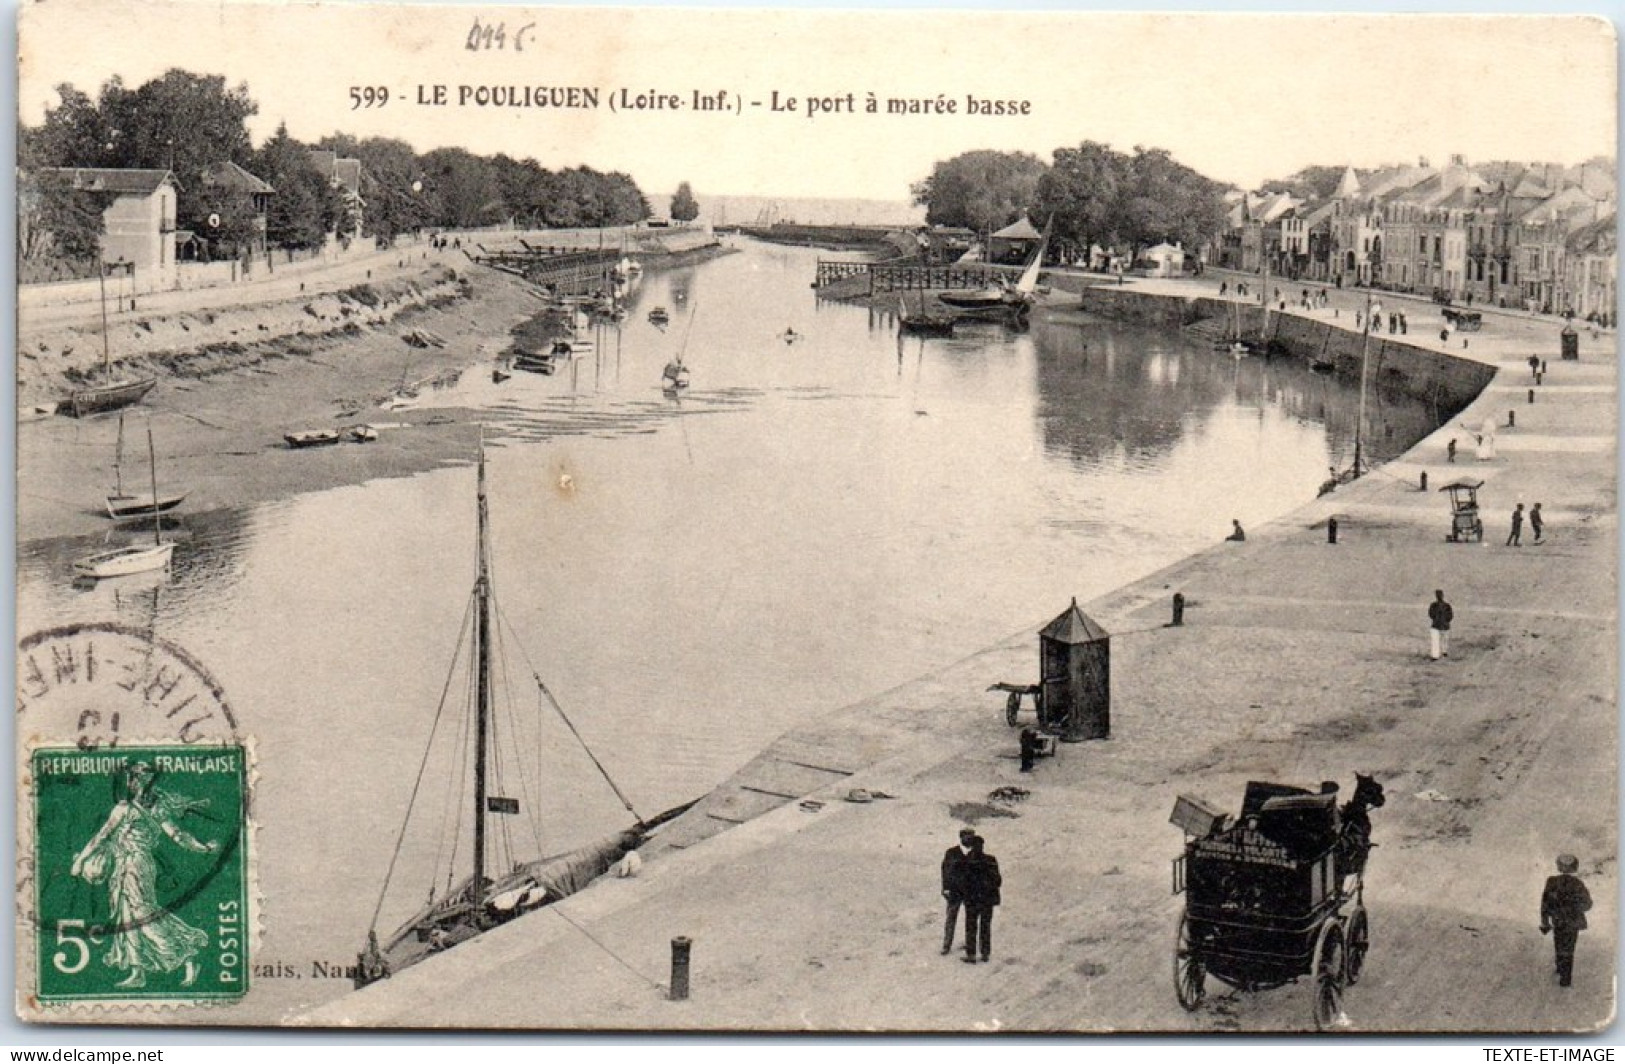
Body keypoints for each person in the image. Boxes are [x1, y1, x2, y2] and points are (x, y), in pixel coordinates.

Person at [69, 762, 217, 989]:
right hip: (127, 865)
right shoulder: (152, 810)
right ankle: (138, 972)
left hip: (135, 866)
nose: (132, 783)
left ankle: (187, 956)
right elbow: (178, 836)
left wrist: (80, 861)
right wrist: (203, 847)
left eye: (134, 778)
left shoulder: (126, 809)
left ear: (136, 782)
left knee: (143, 915)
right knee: (126, 916)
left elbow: (101, 837)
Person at [1541, 854, 1593, 987]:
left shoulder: (1552, 881)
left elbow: (1545, 903)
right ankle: (1566, 976)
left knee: (1558, 943)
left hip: (1558, 920)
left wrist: (1545, 920)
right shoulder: (1578, 884)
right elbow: (1587, 904)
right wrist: (1574, 907)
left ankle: (1560, 966)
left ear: (1559, 866)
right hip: (1573, 921)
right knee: (1569, 947)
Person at [960, 835, 1002, 964]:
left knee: (971, 927)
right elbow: (998, 881)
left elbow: (962, 881)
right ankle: (985, 953)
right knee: (985, 926)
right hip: (986, 900)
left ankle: (971, 954)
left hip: (972, 900)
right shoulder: (990, 860)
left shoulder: (967, 861)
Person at [940, 828, 975, 955]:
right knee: (950, 918)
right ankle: (946, 945)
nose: (970, 838)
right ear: (961, 837)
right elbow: (945, 871)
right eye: (967, 836)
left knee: (971, 919)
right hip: (954, 892)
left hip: (971, 892)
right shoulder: (951, 853)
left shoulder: (977, 852)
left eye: (972, 836)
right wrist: (945, 888)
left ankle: (969, 944)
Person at [1428, 589, 1453, 660]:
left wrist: (1436, 618)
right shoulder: (1447, 605)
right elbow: (1450, 616)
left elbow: (1430, 614)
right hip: (1444, 626)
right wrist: (1446, 621)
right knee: (1443, 640)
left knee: (1437, 640)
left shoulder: (1434, 605)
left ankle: (1436, 655)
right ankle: (1442, 653)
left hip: (1436, 625)